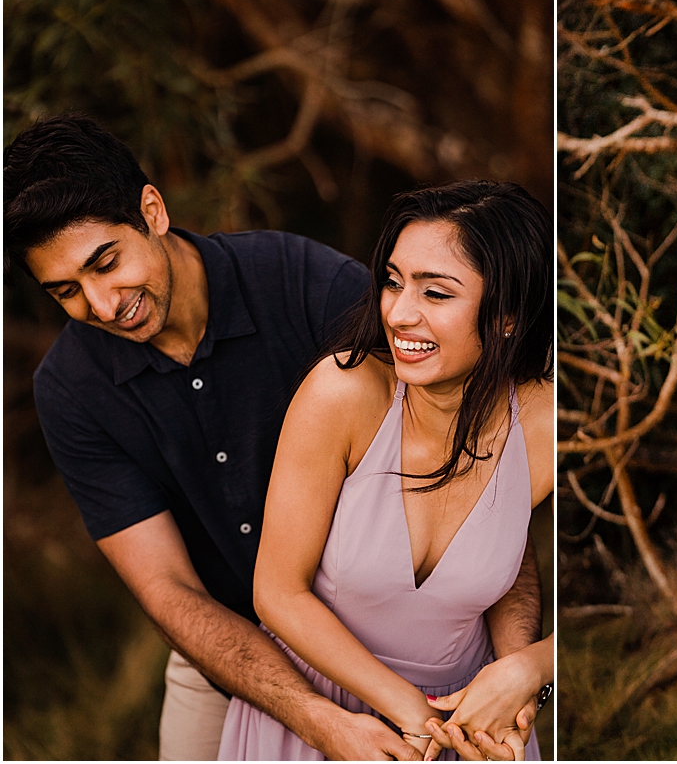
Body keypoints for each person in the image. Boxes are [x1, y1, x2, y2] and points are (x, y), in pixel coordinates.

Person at [4, 115, 542, 760]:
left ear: (152, 209)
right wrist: (317, 719)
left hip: (429, 652)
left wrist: (521, 677)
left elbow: (476, 495)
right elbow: (169, 589)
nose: (102, 304)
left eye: (106, 263)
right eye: (66, 290)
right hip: (228, 657)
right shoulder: (70, 389)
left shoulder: (306, 285)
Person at [218, 181, 555, 760]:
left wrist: (529, 670)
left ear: (507, 317)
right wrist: (414, 714)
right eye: (394, 282)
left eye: (436, 294)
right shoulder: (342, 393)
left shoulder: (546, 424)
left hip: (473, 728)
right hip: (321, 715)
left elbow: (518, 561)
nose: (399, 312)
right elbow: (277, 592)